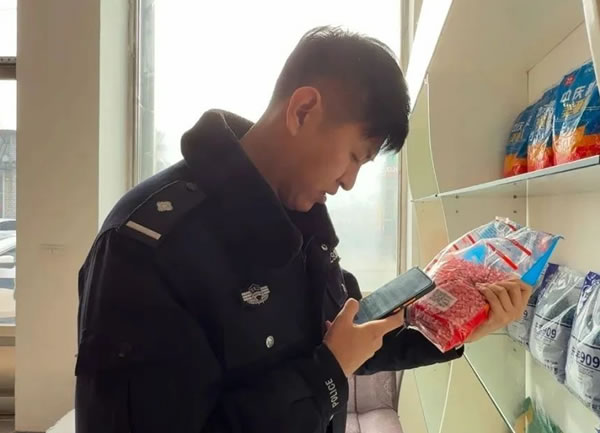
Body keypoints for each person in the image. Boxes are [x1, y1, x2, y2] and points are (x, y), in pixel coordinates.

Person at [75, 26, 532, 433]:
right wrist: (327, 372)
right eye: (355, 157)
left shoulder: (303, 224)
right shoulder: (150, 245)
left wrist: (458, 326)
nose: (350, 182)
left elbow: (358, 332)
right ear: (303, 110)